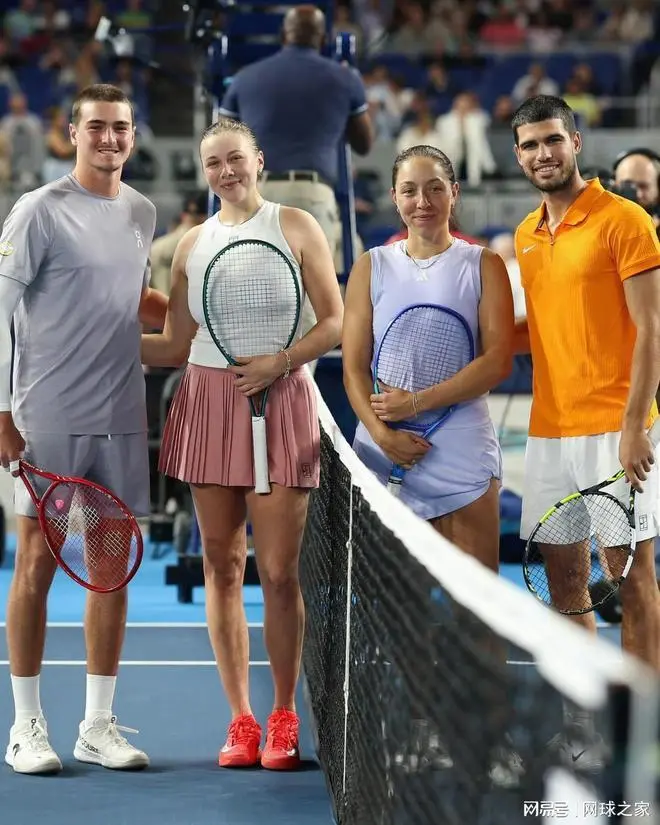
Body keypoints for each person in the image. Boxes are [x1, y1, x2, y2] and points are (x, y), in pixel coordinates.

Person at [141, 117, 343, 770]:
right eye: (213, 163)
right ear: (205, 173)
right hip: (207, 402)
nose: (225, 171)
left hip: (282, 397)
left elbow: (335, 321)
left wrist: (280, 361)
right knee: (221, 567)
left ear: (259, 159)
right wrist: (91, 336)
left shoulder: (297, 226)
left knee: (279, 573)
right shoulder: (190, 244)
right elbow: (174, 343)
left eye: (235, 158)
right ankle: (241, 717)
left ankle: (283, 714)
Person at [0, 83, 168, 775]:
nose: (109, 138)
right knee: (36, 564)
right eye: (96, 126)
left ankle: (97, 725)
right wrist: (1, 413)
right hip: (47, 416)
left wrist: (197, 310)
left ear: (132, 136)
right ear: (72, 133)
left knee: (109, 569)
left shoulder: (142, 211)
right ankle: (25, 726)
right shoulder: (38, 210)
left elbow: (131, 297)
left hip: (121, 416)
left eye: (120, 127)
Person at [512, 95, 660, 761]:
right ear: (518, 155)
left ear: (575, 141)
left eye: (552, 140)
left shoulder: (625, 219)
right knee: (566, 585)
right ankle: (582, 724)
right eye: (529, 145)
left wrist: (634, 426)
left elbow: (652, 329)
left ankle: (642, 733)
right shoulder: (525, 235)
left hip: (616, 429)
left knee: (631, 580)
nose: (542, 154)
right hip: (550, 434)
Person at [343, 144, 514, 569]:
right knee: (388, 598)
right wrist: (383, 436)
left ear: (454, 192)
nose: (423, 202)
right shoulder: (370, 266)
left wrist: (415, 404)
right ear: (394, 197)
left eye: (435, 188)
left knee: (475, 599)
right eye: (409, 190)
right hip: (380, 450)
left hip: (462, 450)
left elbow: (497, 362)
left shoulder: (485, 264)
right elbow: (353, 368)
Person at [219, 4, 373, 373]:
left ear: (283, 35)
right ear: (323, 38)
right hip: (312, 196)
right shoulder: (344, 78)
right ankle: (299, 390)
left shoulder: (246, 78)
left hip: (256, 195)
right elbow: (364, 142)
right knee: (313, 305)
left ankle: (255, 381)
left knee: (254, 293)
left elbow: (219, 143)